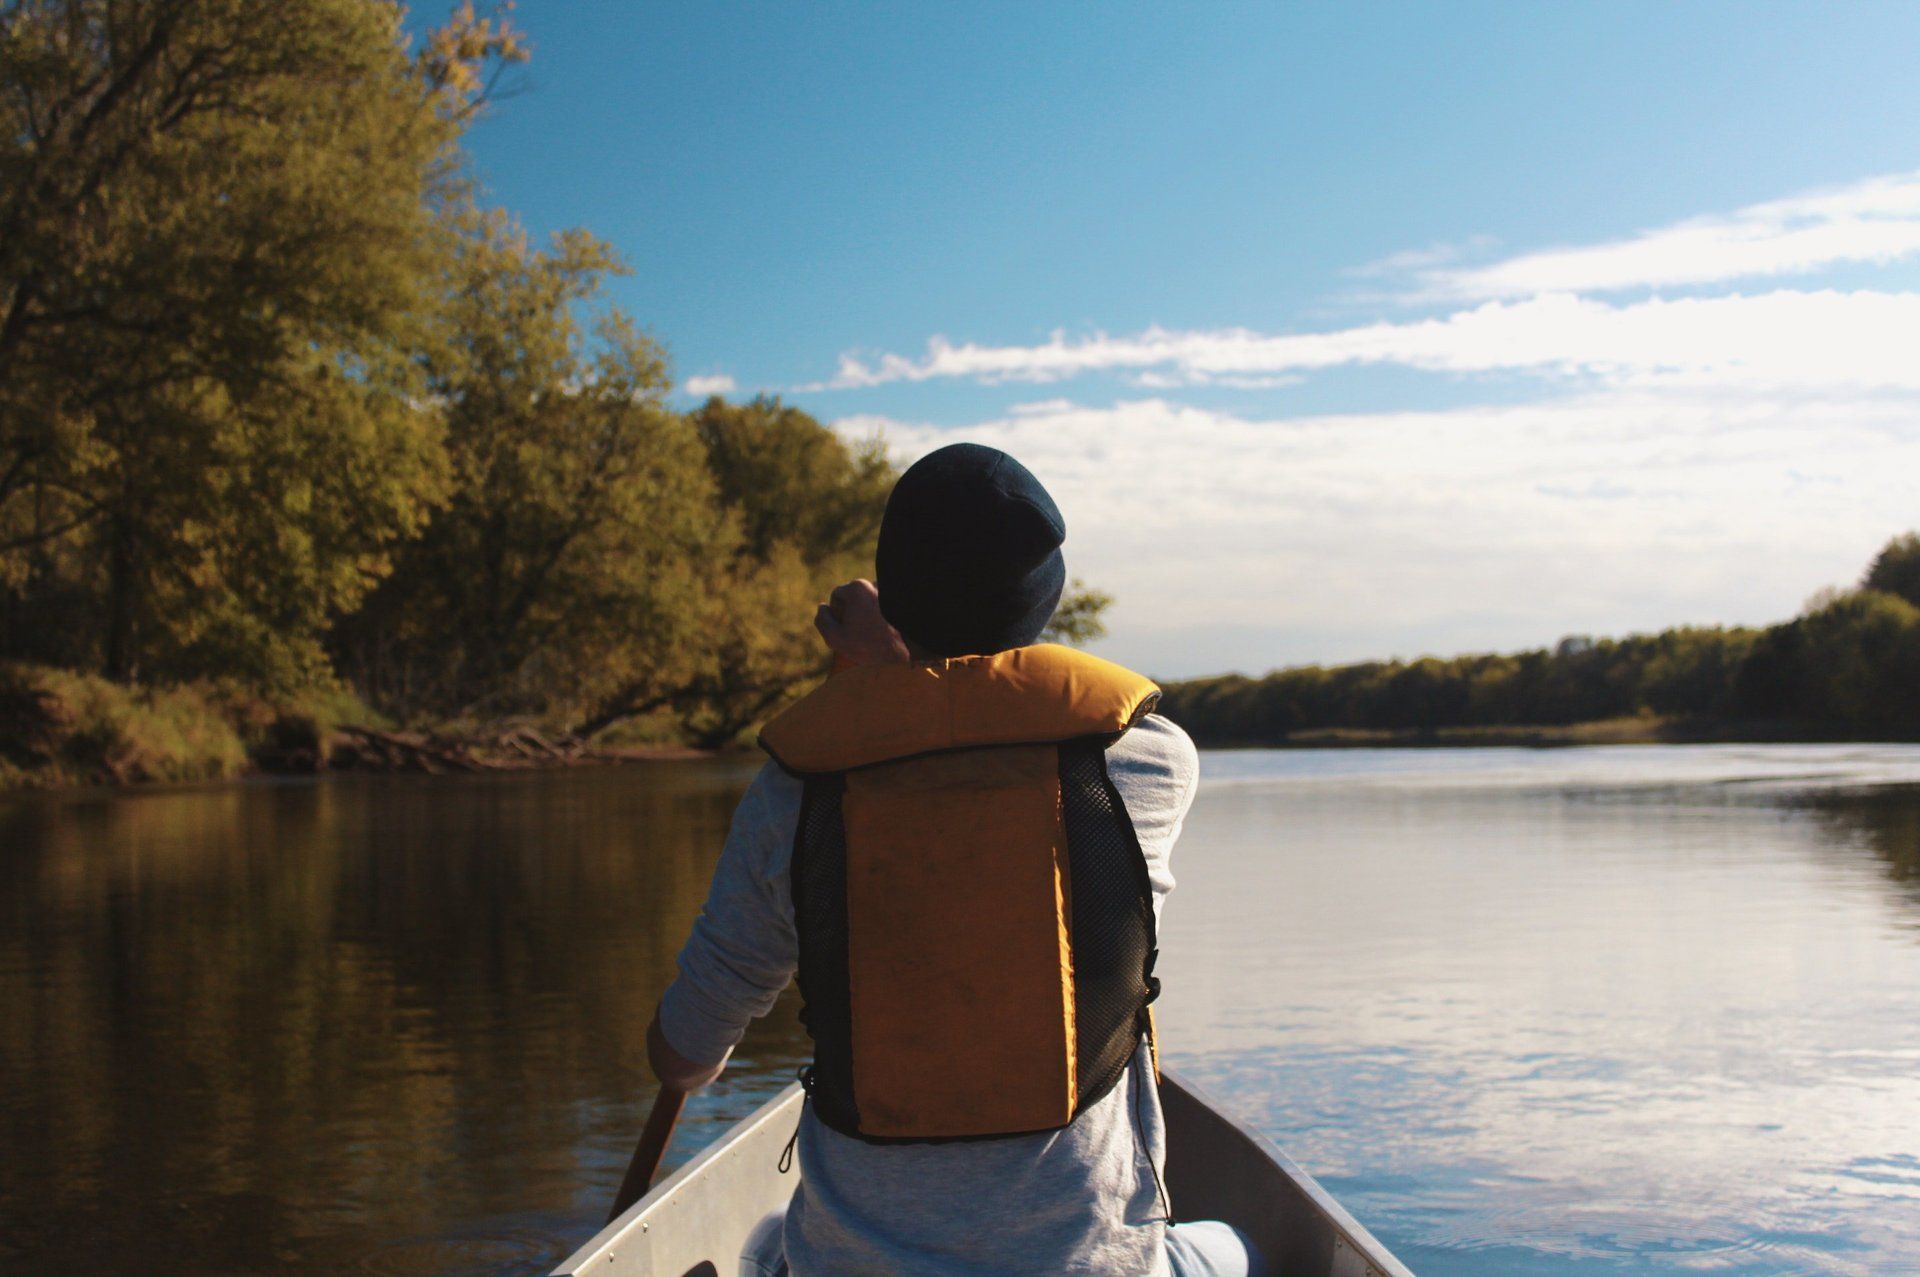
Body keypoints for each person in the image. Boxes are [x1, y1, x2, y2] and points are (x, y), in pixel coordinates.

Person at [648, 443, 1260, 1276]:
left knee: (763, 1245)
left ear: (895, 596)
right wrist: (897, 668)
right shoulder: (1146, 762)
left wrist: (882, 674)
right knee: (1239, 1245)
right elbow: (972, 736)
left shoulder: (797, 792)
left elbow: (683, 1056)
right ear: (1043, 599)